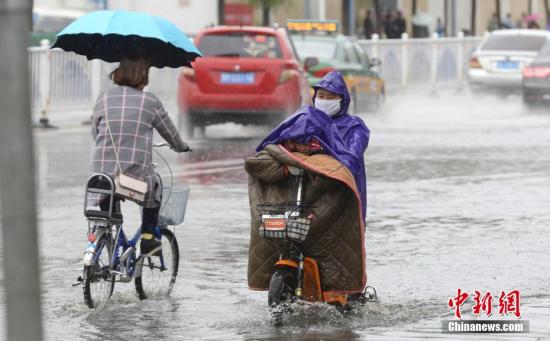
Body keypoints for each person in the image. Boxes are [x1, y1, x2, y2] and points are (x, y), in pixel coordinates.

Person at [90, 57, 190, 256]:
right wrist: (180, 146)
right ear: (143, 75)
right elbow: (169, 132)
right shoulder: (150, 101)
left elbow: (95, 131)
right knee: (155, 190)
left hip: (100, 179)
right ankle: (148, 238)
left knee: (110, 206)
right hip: (131, 182)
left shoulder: (104, 98)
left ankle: (111, 245)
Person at [257, 70, 370, 219]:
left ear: (342, 100)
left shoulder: (354, 126)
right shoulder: (305, 118)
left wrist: (323, 152)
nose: (325, 100)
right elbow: (276, 142)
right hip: (302, 187)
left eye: (331, 97)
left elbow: (351, 159)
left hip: (337, 190)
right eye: (321, 96)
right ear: (315, 97)